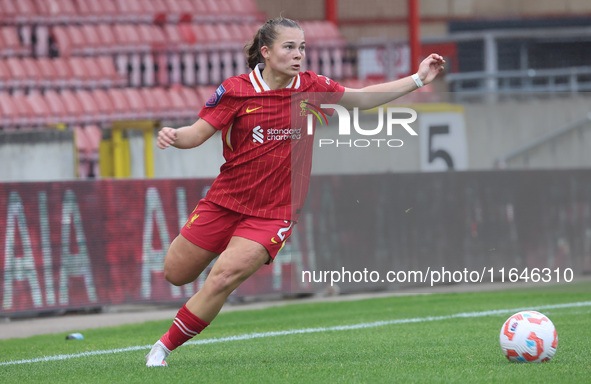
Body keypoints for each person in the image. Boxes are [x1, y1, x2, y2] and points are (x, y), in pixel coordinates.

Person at [145, 17, 445, 367]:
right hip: (224, 201)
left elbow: (361, 99)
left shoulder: (311, 86)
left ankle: (161, 349)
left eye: (302, 47)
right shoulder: (236, 90)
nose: (298, 54)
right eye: (289, 47)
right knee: (175, 273)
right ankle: (180, 318)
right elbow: (196, 134)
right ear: (266, 52)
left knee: (222, 276)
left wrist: (417, 79)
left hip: (275, 211)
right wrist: (173, 135)